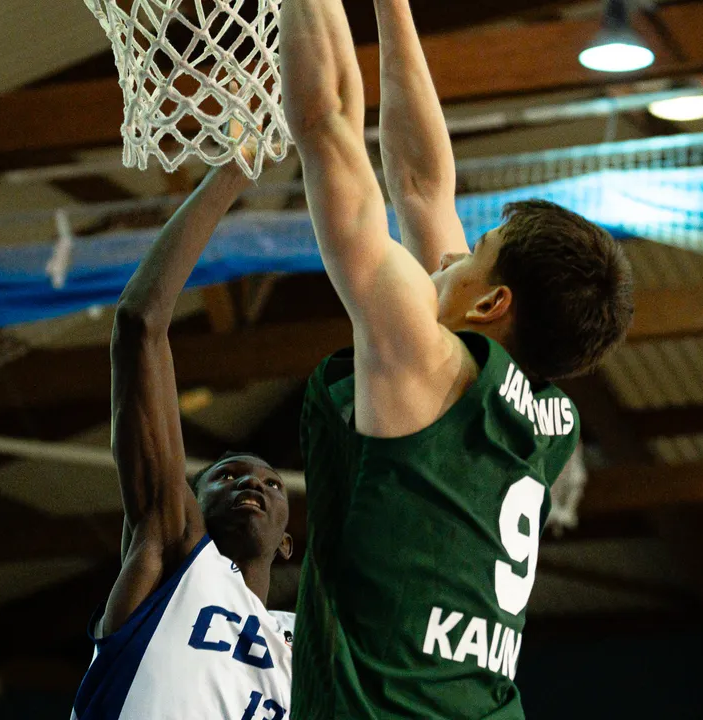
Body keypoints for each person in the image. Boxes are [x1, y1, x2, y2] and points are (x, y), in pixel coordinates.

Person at [278, 0, 635, 715]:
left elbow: (328, 122)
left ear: (493, 304)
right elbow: (418, 186)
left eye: (474, 254)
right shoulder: (545, 423)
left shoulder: (429, 361)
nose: (449, 255)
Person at [71, 136, 296, 720]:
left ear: (287, 542)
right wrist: (236, 168)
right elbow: (139, 324)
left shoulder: (307, 648)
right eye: (225, 475)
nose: (253, 483)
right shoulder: (172, 553)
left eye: (273, 483)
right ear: (192, 503)